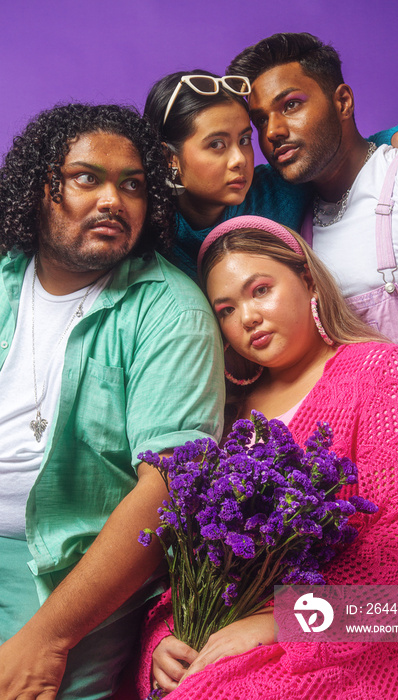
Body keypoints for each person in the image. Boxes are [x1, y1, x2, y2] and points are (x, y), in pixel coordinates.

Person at [227, 33, 398, 696]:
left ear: (342, 99)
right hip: (392, 485)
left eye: (292, 104)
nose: (275, 130)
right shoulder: (296, 216)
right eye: (260, 122)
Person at [136, 216, 398, 700]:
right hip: (232, 644)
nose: (246, 318)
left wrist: (282, 621)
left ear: (306, 277)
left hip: (368, 646)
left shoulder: (386, 373)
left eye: (260, 289)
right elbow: (189, 558)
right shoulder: (225, 414)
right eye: (225, 309)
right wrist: (165, 642)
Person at [0, 103, 224, 700]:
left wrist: (48, 638)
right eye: (86, 178)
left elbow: (169, 486)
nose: (112, 200)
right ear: (38, 187)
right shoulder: (4, 277)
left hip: (66, 569)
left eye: (132, 185)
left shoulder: (169, 310)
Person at [144, 69, 398, 278]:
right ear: (169, 158)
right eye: (216, 144)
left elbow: (342, 152)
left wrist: (395, 135)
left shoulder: (276, 189)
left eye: (244, 140)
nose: (239, 159)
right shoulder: (148, 225)